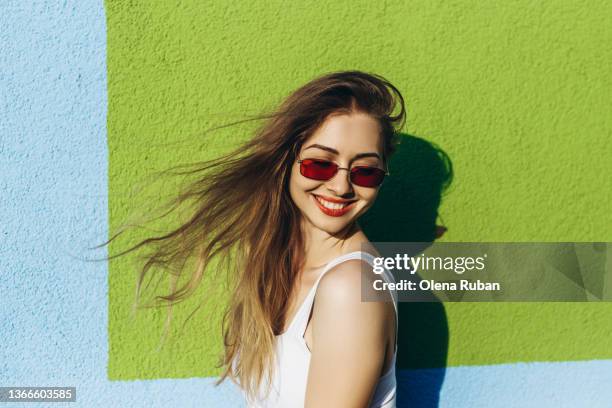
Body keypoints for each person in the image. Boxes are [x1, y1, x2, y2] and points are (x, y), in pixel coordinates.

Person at [109, 70, 406, 407]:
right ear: (287, 161)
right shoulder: (278, 264)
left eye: (366, 171)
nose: (341, 187)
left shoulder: (350, 286)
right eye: (320, 165)